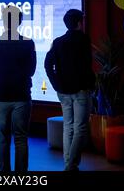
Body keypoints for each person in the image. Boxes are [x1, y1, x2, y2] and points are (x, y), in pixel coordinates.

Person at [0, 5, 37, 172]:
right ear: (20, 21)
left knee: (3, 139)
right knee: (21, 139)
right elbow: (31, 71)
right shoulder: (28, 43)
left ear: (3, 21)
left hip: (0, 96)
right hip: (22, 95)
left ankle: (4, 175)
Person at [44, 9, 95, 171]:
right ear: (79, 22)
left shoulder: (58, 42)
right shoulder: (84, 40)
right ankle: (71, 164)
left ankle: (69, 164)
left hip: (63, 91)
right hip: (81, 90)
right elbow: (87, 66)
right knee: (80, 127)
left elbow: (47, 65)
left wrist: (55, 83)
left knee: (69, 126)